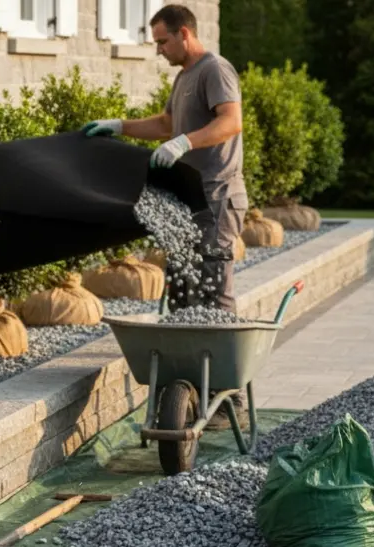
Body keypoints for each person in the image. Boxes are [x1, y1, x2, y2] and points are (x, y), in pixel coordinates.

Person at [82, 3, 249, 430]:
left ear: (184, 34)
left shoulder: (215, 69)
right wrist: (119, 125)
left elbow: (231, 121)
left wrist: (184, 144)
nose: (159, 50)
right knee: (183, 289)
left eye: (162, 41)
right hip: (189, 197)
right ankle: (188, 384)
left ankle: (226, 397)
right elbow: (166, 122)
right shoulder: (184, 77)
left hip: (218, 196)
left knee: (213, 288)